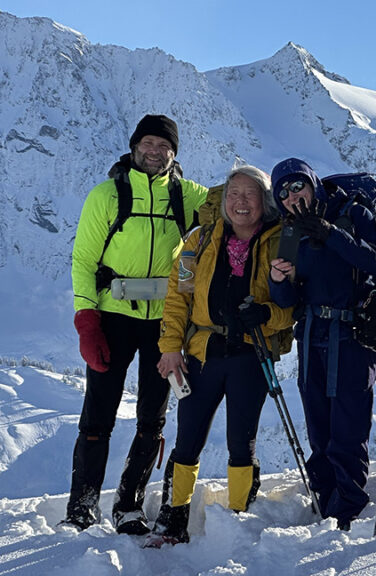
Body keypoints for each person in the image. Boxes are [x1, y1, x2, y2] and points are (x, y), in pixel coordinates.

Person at [65, 114, 208, 533]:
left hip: (165, 324)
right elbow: (84, 261)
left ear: (174, 153)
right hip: (112, 318)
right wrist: (86, 320)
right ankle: (82, 505)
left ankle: (128, 505)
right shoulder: (107, 196)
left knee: (152, 418)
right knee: (97, 417)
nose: (155, 151)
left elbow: (237, 206)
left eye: (164, 146)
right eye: (148, 142)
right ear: (133, 146)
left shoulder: (190, 197)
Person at [146, 165, 293, 544]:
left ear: (265, 201)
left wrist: (267, 315)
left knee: (240, 441)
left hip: (251, 353)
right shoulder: (200, 240)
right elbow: (178, 298)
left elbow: (294, 306)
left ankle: (239, 517)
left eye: (249, 194)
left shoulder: (282, 243)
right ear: (223, 201)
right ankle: (172, 517)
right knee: (188, 439)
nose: (240, 202)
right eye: (233, 194)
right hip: (202, 354)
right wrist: (170, 348)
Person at [268, 158, 376, 530]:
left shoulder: (353, 214)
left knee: (348, 426)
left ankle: (347, 508)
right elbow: (289, 300)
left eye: (298, 186)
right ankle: (325, 499)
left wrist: (329, 232)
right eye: (283, 192)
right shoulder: (289, 233)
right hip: (312, 336)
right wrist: (277, 281)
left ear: (313, 184)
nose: (292, 196)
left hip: (352, 337)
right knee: (319, 427)